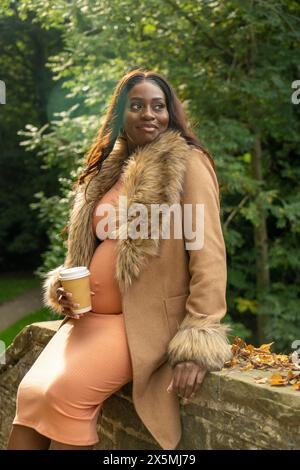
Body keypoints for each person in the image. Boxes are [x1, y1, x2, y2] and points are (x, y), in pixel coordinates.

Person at [7, 68, 232, 451]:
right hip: (87, 320)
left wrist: (198, 341)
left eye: (158, 106)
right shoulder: (111, 168)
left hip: (139, 324)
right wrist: (63, 287)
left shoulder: (187, 163)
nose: (149, 114)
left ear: (170, 113)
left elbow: (209, 256)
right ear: (120, 115)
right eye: (137, 105)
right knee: (30, 393)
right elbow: (89, 248)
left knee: (64, 395)